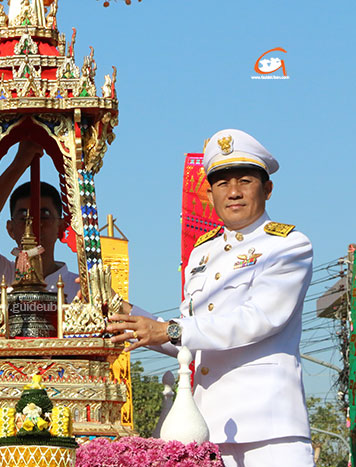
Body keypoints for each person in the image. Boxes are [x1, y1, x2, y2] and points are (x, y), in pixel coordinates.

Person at [107, 129, 314, 467]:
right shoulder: (202, 253)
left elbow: (257, 318)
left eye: (244, 181)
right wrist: (128, 316)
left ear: (268, 189)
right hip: (205, 428)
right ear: (210, 193)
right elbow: (192, 340)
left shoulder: (289, 245)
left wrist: (170, 330)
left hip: (269, 431)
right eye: (221, 183)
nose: (233, 192)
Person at [0, 141, 79, 303]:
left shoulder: (79, 290)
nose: (33, 224)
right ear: (10, 229)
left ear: (61, 227)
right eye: (23, 217)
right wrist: (19, 163)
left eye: (44, 216)